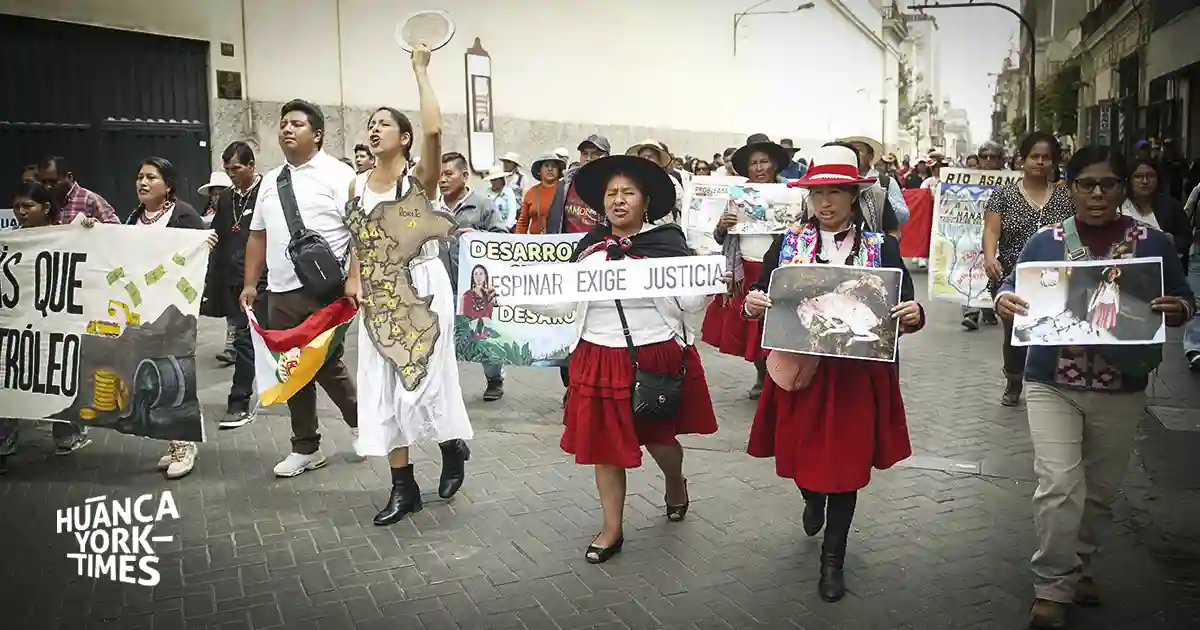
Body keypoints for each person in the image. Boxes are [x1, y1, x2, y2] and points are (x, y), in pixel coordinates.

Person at [994, 145, 1194, 630]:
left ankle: (1079, 562)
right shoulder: (1045, 242)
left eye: (1109, 184)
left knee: (1099, 491)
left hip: (1122, 384)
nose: (1098, 194)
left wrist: (1178, 309)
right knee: (1059, 484)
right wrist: (1005, 300)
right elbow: (1010, 288)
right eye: (1087, 184)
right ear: (1072, 187)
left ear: (1122, 188)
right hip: (1051, 381)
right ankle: (1052, 587)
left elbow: (1185, 299)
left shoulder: (1153, 243)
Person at [742, 144, 924, 603]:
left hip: (855, 378)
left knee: (845, 465)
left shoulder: (882, 248)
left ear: (853, 195)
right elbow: (761, 295)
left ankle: (832, 561)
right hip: (801, 373)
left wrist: (914, 313)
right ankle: (810, 495)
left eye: (836, 193)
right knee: (805, 457)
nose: (825, 203)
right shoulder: (788, 244)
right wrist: (753, 303)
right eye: (817, 194)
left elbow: (904, 305)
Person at [515, 154, 718, 563]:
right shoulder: (588, 247)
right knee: (605, 448)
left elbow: (691, 302)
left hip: (655, 352)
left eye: (628, 193)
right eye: (611, 193)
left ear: (646, 202)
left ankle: (675, 483)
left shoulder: (668, 245)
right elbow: (564, 304)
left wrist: (709, 274)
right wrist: (518, 291)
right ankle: (612, 529)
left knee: (660, 439)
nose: (618, 200)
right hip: (597, 355)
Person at [346, 43, 474, 526]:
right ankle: (404, 487)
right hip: (378, 297)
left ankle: (451, 446)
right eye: (370, 123)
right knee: (382, 390)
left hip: (422, 287)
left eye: (384, 123)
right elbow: (360, 239)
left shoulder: (419, 181)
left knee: (422, 385)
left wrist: (420, 69)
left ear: (404, 137)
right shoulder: (356, 185)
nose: (374, 128)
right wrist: (355, 280)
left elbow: (436, 128)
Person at [240, 99, 360, 478]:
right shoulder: (270, 182)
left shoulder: (340, 175)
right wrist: (249, 284)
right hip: (279, 292)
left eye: (296, 124)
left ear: (317, 134)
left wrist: (355, 277)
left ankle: (363, 424)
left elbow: (362, 231)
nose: (287, 129)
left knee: (325, 363)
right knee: (292, 369)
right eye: (283, 124)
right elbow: (257, 236)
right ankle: (305, 447)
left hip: (325, 291)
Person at [81, 157, 211, 478]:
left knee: (176, 372)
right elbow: (120, 251)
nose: (143, 182)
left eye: (151, 177)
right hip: (144, 311)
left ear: (168, 184)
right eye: (140, 177)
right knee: (150, 374)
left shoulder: (183, 215)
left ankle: (184, 443)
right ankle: (173, 441)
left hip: (175, 310)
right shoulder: (134, 217)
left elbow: (201, 254)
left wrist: (206, 244)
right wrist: (91, 232)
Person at [0, 182, 97, 474]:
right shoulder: (10, 242)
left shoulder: (65, 238)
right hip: (17, 325)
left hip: (54, 324)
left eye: (28, 206)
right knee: (10, 381)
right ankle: (4, 445)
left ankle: (66, 436)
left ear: (45, 208)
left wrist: (90, 232)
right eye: (17, 207)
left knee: (55, 377)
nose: (21, 212)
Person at [982, 132, 1076, 407]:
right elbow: (991, 229)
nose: (1040, 162)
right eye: (1035, 156)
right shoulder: (1004, 196)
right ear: (1022, 160)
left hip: (1058, 274)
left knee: (1054, 328)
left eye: (1046, 157)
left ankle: (1049, 383)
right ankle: (1013, 379)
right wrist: (990, 257)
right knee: (1014, 331)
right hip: (1014, 275)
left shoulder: (1066, 195)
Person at [704, 133, 790, 399]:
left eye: (764, 162)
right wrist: (722, 225)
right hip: (746, 268)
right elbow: (717, 237)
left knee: (778, 327)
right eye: (754, 163)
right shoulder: (736, 194)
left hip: (780, 270)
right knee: (752, 328)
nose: (760, 168)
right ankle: (761, 375)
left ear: (774, 165)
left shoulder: (790, 193)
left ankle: (780, 374)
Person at [201, 141, 266, 430]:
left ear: (251, 165)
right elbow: (220, 235)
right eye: (227, 170)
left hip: (263, 280)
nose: (232, 175)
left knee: (254, 340)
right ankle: (241, 399)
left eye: (237, 169)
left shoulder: (268, 193)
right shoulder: (226, 198)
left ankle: (244, 399)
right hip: (233, 280)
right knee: (244, 340)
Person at [438, 151, 509, 400]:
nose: (443, 180)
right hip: (442, 284)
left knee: (483, 334)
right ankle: (442, 385)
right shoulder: (433, 208)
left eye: (449, 174)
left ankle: (494, 379)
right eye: (440, 175)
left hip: (474, 287)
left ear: (465, 175)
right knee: (443, 337)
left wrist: (479, 238)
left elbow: (503, 239)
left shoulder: (483, 205)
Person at [961, 141, 1007, 330]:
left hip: (1000, 234)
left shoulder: (1011, 182)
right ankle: (971, 313)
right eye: (984, 156)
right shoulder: (967, 179)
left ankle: (988, 309)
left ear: (1000, 160)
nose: (988, 160)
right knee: (971, 270)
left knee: (993, 272)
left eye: (993, 156)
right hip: (973, 231)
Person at [1121, 157, 1191, 273]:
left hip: (1163, 271)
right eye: (1138, 177)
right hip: (1125, 271)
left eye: (1150, 176)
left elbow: (1186, 238)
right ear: (1129, 180)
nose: (1145, 181)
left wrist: (1173, 241)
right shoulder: (1119, 206)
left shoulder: (1171, 206)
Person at [37, 155, 119, 224]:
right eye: (43, 182)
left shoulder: (89, 200)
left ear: (69, 177)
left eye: (53, 181)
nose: (47, 186)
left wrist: (96, 226)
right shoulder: (42, 202)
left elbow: (115, 228)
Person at [513, 153, 565, 235]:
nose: (550, 169)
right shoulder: (531, 193)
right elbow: (523, 222)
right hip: (537, 244)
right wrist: (517, 241)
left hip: (561, 242)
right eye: (546, 166)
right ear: (539, 171)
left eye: (554, 166)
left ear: (559, 170)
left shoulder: (566, 190)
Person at [481, 165, 519, 231]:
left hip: (508, 228)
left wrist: (506, 227)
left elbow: (512, 212)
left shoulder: (508, 192)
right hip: (491, 228)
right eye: (492, 180)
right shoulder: (487, 192)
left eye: (495, 180)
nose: (493, 182)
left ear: (501, 180)